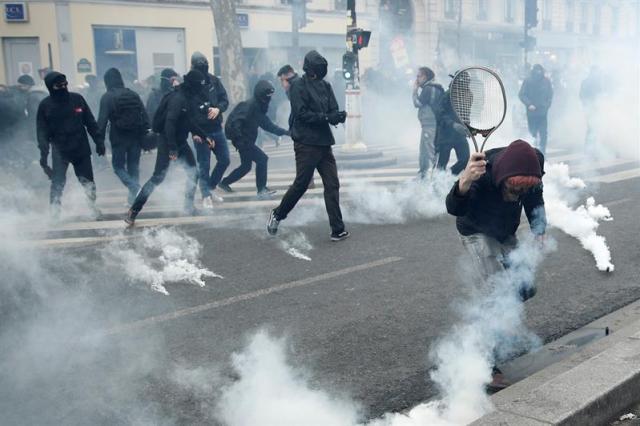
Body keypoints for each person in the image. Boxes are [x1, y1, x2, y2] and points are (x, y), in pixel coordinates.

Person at [445, 139, 546, 389]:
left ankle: (492, 325)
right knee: (496, 295)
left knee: (525, 287)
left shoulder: (534, 163)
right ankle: (482, 363)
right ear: (503, 177)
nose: (517, 196)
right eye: (513, 189)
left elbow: (535, 196)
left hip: (504, 231)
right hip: (476, 231)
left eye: (522, 190)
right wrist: (465, 181)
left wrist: (539, 228)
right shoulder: (482, 172)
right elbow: (454, 208)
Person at [267, 50, 349, 241]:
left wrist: (337, 116)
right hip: (305, 142)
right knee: (301, 184)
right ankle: (278, 214)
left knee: (332, 184)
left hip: (323, 142)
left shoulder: (326, 86)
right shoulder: (298, 86)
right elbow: (302, 114)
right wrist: (328, 117)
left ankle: (337, 228)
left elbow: (332, 109)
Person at [125, 70, 211, 226]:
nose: (201, 90)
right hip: (167, 142)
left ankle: (188, 206)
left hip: (181, 142)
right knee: (158, 177)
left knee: (194, 173)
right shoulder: (177, 99)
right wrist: (172, 149)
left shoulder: (188, 97)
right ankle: (134, 210)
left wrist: (205, 136)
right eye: (200, 87)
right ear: (193, 85)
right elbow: (169, 124)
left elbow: (190, 122)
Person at [36, 71, 105, 220]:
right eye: (58, 85)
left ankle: (93, 208)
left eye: (65, 84)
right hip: (60, 151)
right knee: (57, 183)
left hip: (81, 149)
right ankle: (55, 213)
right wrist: (43, 157)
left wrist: (99, 142)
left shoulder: (77, 99)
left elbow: (90, 122)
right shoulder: (45, 105)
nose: (63, 87)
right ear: (50, 87)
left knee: (88, 182)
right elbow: (42, 134)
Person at [219, 80, 289, 199]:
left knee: (246, 166)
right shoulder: (249, 106)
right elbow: (236, 121)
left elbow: (268, 126)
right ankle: (261, 190)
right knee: (262, 159)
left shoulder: (258, 107)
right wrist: (239, 138)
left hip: (246, 140)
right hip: (243, 141)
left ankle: (224, 183)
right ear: (261, 95)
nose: (269, 99)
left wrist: (287, 132)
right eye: (267, 96)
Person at [97, 68, 150, 205]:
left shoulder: (107, 96)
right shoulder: (133, 94)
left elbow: (102, 122)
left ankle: (135, 189)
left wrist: (99, 142)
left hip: (118, 136)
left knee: (118, 166)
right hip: (136, 136)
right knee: (133, 166)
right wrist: (145, 135)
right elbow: (144, 116)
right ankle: (133, 199)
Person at [190, 52, 231, 208]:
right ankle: (205, 195)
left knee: (225, 159)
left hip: (216, 128)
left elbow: (224, 100)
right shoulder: (190, 85)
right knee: (204, 164)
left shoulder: (214, 80)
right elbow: (188, 112)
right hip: (201, 131)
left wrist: (218, 109)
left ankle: (211, 188)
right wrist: (194, 133)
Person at [434, 72, 470, 175]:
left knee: (465, 160)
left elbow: (466, 114)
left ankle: (448, 177)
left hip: (460, 135)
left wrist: (468, 127)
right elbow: (440, 115)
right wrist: (453, 125)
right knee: (442, 164)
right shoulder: (447, 95)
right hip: (446, 135)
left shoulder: (468, 95)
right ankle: (438, 183)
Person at [412, 66, 444, 178]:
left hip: (430, 124)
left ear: (425, 77)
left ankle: (432, 176)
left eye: (418, 76)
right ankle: (424, 175)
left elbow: (417, 103)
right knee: (425, 151)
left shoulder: (428, 89)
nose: (417, 79)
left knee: (429, 151)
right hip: (432, 124)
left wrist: (415, 90)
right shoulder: (435, 87)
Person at [519, 64, 553, 155]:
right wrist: (529, 104)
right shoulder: (528, 81)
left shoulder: (546, 81)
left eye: (540, 71)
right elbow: (522, 94)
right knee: (532, 134)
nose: (539, 73)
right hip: (532, 113)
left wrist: (546, 105)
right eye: (537, 71)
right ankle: (533, 154)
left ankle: (542, 153)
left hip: (542, 113)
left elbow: (550, 95)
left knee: (543, 134)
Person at [579, 66, 604, 149]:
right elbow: (582, 95)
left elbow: (600, 94)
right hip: (590, 108)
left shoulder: (594, 82)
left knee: (593, 128)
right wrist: (587, 105)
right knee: (592, 128)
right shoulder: (589, 82)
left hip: (593, 108)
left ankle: (591, 147)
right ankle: (589, 148)